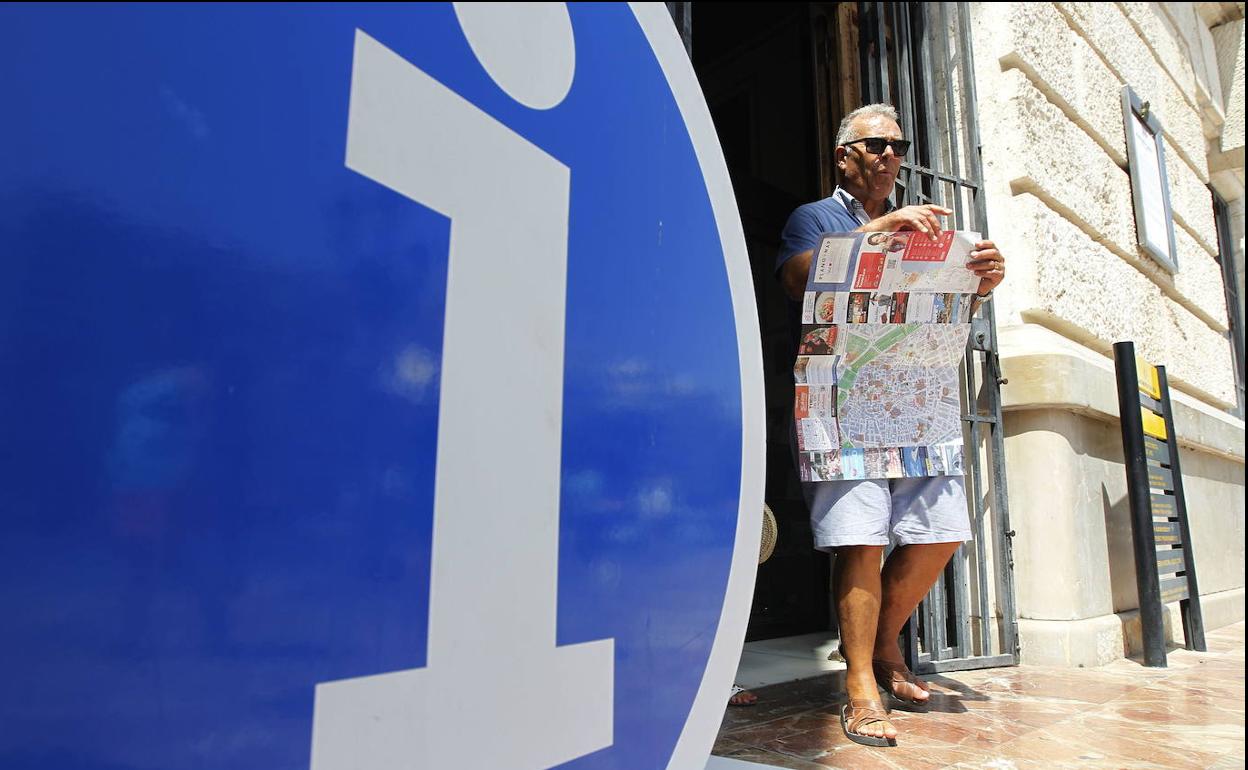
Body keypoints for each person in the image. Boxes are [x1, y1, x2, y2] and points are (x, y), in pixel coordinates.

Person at [776, 104, 1005, 747]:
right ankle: (860, 684)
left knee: (941, 530)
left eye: (898, 147)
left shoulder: (925, 227)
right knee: (862, 538)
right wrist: (877, 234)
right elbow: (796, 280)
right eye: (876, 145)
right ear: (844, 155)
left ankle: (882, 643)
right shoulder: (815, 218)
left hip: (913, 400)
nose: (890, 157)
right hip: (841, 401)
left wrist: (979, 282)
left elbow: (934, 306)